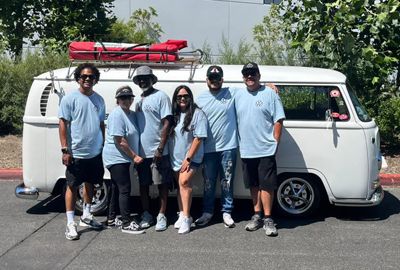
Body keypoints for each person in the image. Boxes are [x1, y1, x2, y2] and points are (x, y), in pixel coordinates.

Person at [234, 62, 285, 237]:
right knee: (253, 185)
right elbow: (217, 90)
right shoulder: (237, 94)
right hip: (247, 149)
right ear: (243, 77)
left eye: (253, 73)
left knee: (267, 185)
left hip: (266, 149)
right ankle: (257, 215)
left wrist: (275, 143)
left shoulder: (270, 94)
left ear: (259, 75)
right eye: (247, 74)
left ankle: (269, 218)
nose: (250, 76)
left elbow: (278, 120)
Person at [58, 63, 105, 240]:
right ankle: (70, 223)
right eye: (84, 76)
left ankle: (87, 214)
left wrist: (103, 145)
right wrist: (65, 149)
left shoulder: (99, 100)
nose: (87, 79)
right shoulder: (70, 99)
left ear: (95, 79)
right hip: (76, 152)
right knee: (71, 185)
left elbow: (101, 124)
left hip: (94, 152)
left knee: (90, 183)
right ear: (78, 78)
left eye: (91, 76)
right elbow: (62, 123)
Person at [195, 65, 237, 228]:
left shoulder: (231, 93)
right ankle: (207, 212)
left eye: (217, 78)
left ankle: (227, 212)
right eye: (211, 79)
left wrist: (268, 85)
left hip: (228, 147)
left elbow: (251, 88)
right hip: (208, 149)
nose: (214, 81)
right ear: (207, 80)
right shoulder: (200, 99)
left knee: (227, 181)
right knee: (209, 182)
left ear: (222, 80)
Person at [133, 66, 173, 231]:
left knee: (161, 184)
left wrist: (160, 147)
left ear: (152, 79)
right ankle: (147, 214)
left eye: (146, 78)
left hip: (158, 151)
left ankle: (161, 215)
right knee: (144, 185)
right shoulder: (138, 101)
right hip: (141, 152)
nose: (143, 81)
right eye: (140, 79)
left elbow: (167, 122)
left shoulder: (161, 96)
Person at [102, 86, 145, 234]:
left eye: (129, 97)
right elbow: (119, 140)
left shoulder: (131, 114)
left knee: (115, 188)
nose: (126, 100)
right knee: (125, 188)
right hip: (116, 157)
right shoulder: (117, 115)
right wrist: (134, 156)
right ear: (117, 100)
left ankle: (111, 219)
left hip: (123, 158)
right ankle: (126, 222)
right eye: (123, 98)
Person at [169, 85, 208, 234]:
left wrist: (189, 158)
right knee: (180, 186)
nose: (182, 99)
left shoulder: (198, 114)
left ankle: (186, 217)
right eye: (179, 97)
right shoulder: (175, 115)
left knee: (185, 182)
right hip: (176, 158)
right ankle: (182, 214)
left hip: (192, 158)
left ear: (190, 98)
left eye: (185, 96)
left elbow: (198, 138)